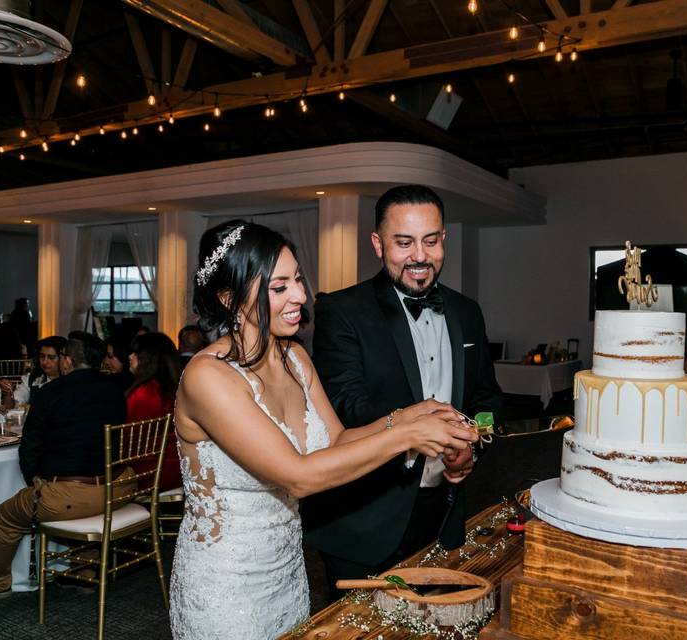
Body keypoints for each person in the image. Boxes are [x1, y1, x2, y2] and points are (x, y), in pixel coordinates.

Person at [169, 221, 476, 640]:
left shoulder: (293, 356)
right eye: (279, 288)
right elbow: (299, 476)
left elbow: (336, 441)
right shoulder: (208, 377)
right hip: (226, 583)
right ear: (229, 298)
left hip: (287, 571)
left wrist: (406, 415)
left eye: (297, 280)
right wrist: (406, 437)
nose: (300, 295)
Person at [304, 184, 505, 595]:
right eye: (403, 242)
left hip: (444, 512)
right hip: (366, 519)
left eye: (430, 241)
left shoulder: (468, 312)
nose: (419, 256)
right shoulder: (342, 312)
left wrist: (474, 442)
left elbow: (487, 399)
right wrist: (414, 429)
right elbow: (344, 408)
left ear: (443, 238)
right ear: (378, 245)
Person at [0, 332, 134, 596]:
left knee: (6, 516)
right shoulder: (116, 390)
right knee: (80, 496)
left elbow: (30, 448)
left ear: (68, 361)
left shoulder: (50, 393)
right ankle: (85, 571)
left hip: (70, 497)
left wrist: (36, 481)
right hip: (118, 487)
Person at [126, 332, 181, 490]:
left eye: (135, 353)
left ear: (147, 358)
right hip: (177, 468)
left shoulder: (145, 394)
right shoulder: (175, 388)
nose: (130, 356)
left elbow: (131, 440)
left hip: (149, 473)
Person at [0, 336, 67, 408]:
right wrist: (8, 393)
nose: (45, 362)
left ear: (63, 359)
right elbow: (11, 406)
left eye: (51, 358)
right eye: (42, 356)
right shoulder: (33, 379)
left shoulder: (70, 380)